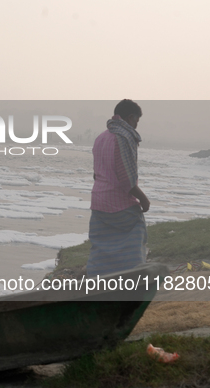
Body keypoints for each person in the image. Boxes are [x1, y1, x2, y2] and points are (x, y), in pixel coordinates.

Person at [86, 99, 149, 277]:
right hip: (119, 203)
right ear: (130, 117)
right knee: (136, 231)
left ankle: (97, 281)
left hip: (98, 202)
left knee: (101, 244)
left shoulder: (101, 137)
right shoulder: (124, 137)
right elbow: (126, 178)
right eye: (137, 120)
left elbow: (96, 173)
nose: (137, 125)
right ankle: (133, 277)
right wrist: (143, 199)